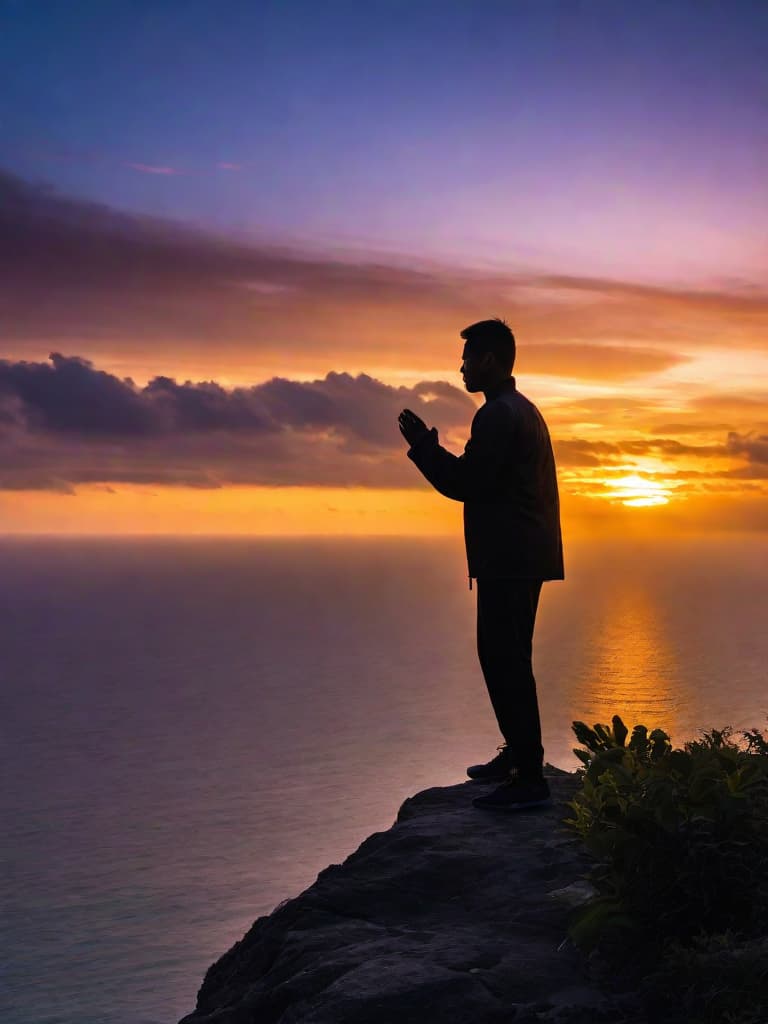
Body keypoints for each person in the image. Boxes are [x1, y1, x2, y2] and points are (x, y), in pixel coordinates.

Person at [398, 318, 564, 811]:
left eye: (469, 357)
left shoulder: (497, 416)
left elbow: (466, 483)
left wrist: (425, 448)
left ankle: (529, 777)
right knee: (508, 657)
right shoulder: (522, 409)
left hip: (509, 559)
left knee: (503, 659)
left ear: (490, 360)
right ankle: (519, 756)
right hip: (522, 555)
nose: (462, 367)